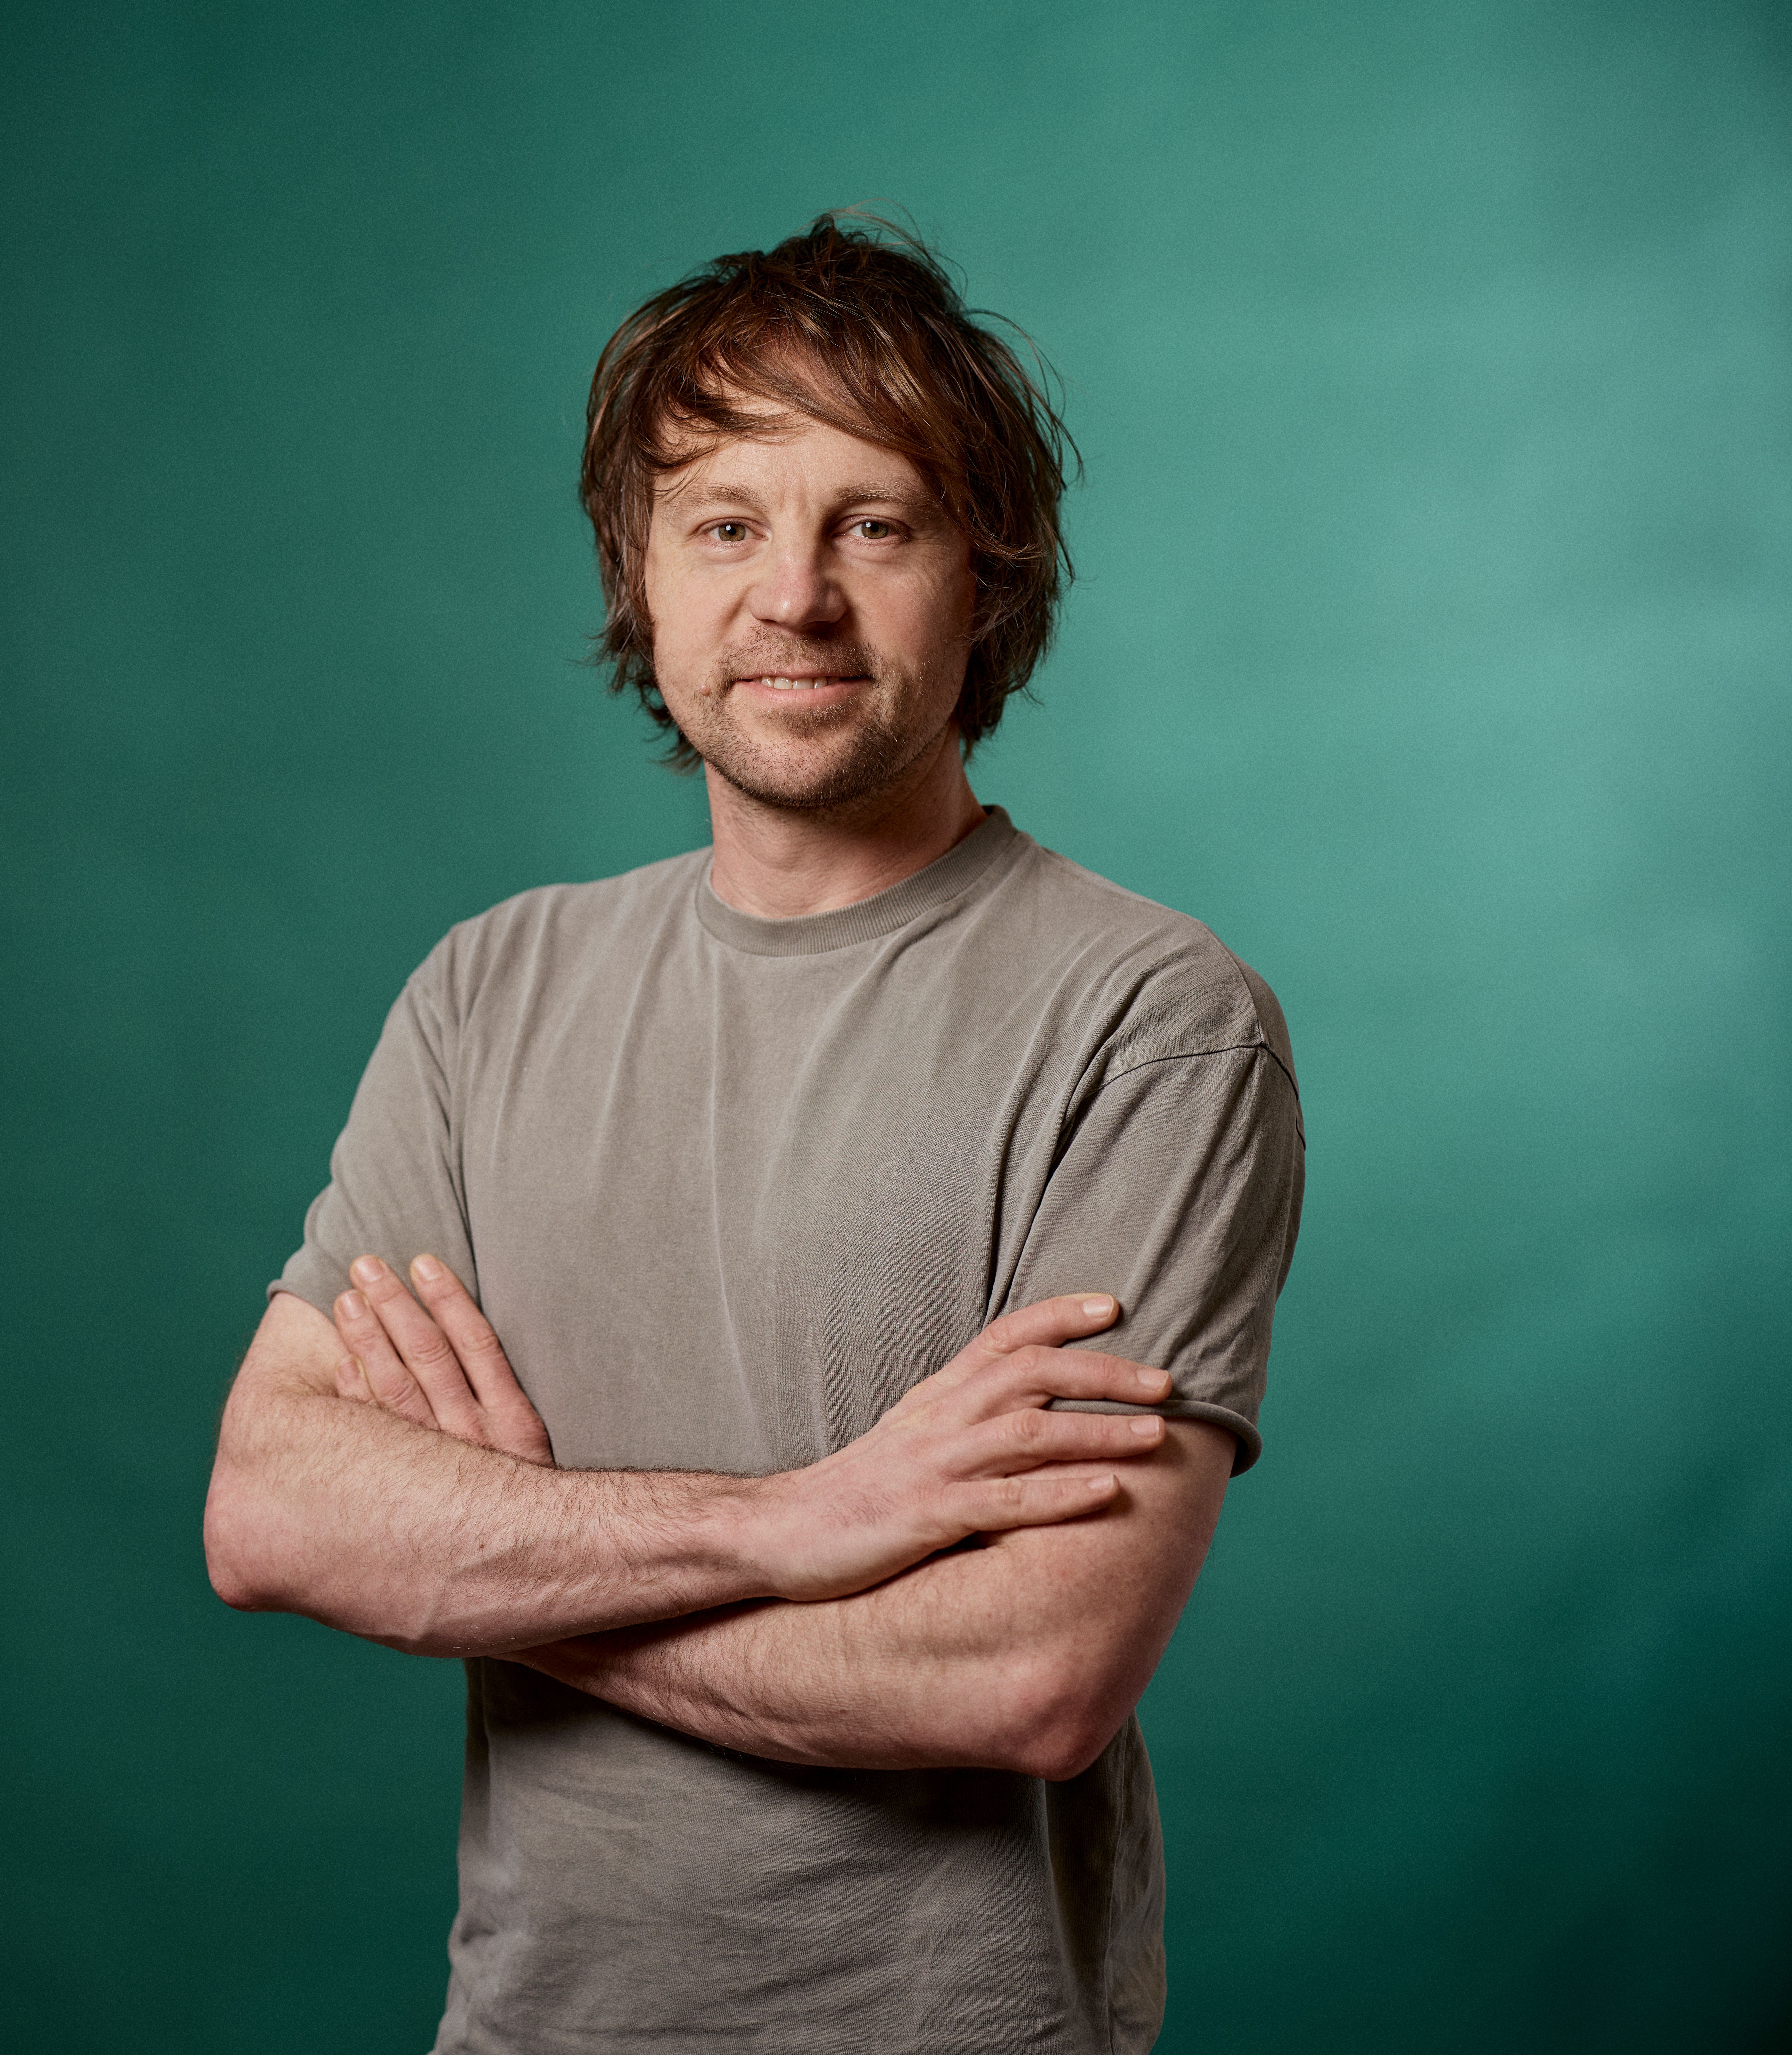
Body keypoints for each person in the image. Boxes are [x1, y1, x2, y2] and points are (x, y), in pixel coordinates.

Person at [202, 213, 1304, 2055]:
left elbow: (1035, 1673)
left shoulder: (1154, 1021)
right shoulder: (492, 993)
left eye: (874, 523)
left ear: (989, 582)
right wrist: (809, 1523)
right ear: (640, 579)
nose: (793, 594)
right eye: (724, 522)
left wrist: (503, 1565)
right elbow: (269, 1510)